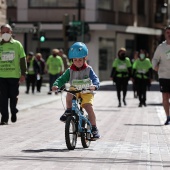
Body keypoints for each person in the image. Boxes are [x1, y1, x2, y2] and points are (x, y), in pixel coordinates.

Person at [52, 42, 100, 139]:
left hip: (86, 91)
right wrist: (56, 85)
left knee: (88, 107)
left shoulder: (89, 69)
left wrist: (95, 85)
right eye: (75, 60)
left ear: (84, 59)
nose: (77, 62)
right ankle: (68, 111)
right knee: (69, 94)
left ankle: (94, 128)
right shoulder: (70, 70)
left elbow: (95, 79)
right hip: (75, 90)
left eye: (80, 60)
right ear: (72, 60)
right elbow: (61, 79)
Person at [0, 24, 27, 125]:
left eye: (8, 32)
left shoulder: (17, 44)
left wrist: (23, 73)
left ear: (11, 33)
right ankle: (4, 118)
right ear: (0, 33)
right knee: (2, 98)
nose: (5, 34)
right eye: (3, 32)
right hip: (1, 76)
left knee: (13, 96)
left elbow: (22, 59)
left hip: (14, 76)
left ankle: (13, 111)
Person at [152, 25, 170, 125]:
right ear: (165, 34)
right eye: (167, 32)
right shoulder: (161, 47)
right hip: (164, 75)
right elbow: (155, 59)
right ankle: (168, 116)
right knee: (165, 96)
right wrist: (155, 66)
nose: (169, 34)